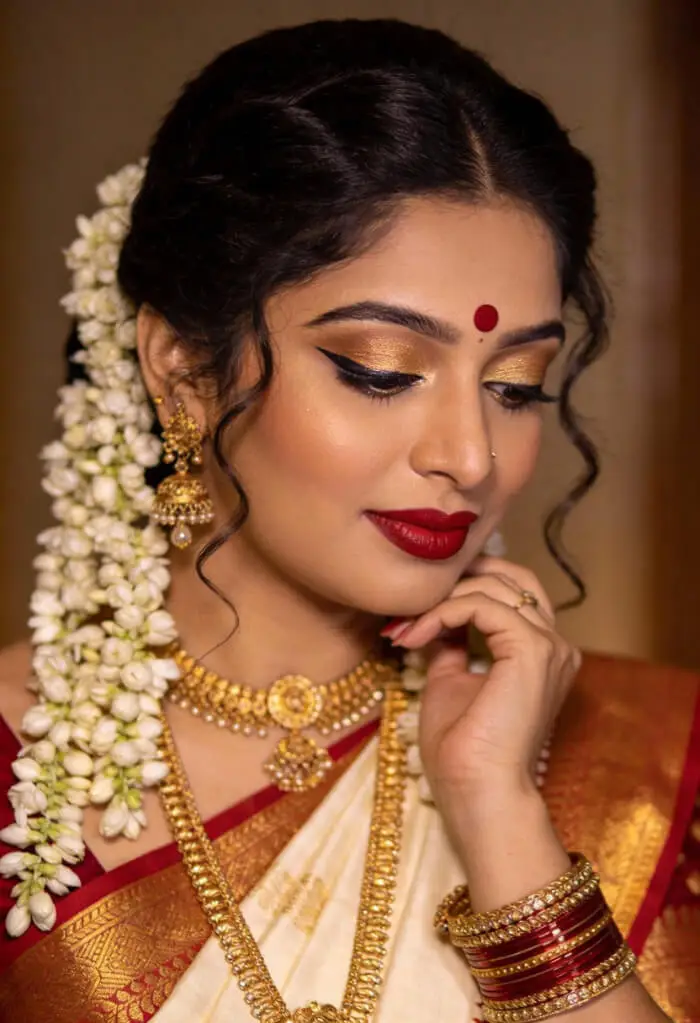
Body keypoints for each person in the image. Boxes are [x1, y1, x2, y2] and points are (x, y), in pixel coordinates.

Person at [0, 18, 698, 1023]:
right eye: (381, 372)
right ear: (185, 372)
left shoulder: (652, 765)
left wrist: (500, 822)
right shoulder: (17, 768)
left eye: (514, 386)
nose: (467, 454)